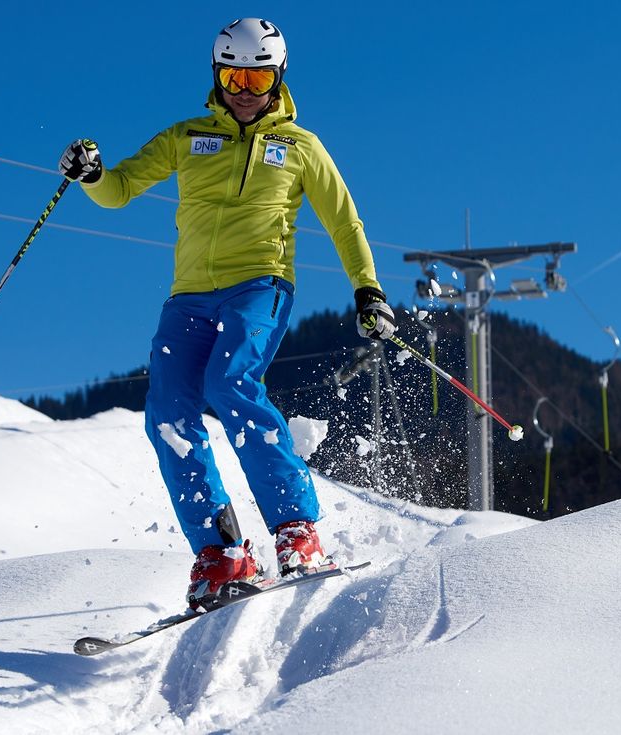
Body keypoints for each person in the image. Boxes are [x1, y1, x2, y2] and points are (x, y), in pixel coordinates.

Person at [58, 17, 395, 609]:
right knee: (167, 410)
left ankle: (297, 532)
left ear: (278, 77)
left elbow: (345, 220)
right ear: (218, 75)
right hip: (187, 297)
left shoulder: (300, 147)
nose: (245, 88)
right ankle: (221, 551)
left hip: (259, 285)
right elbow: (119, 189)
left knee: (229, 380)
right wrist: (92, 176)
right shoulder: (186, 137)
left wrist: (368, 290)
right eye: (234, 74)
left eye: (257, 76)